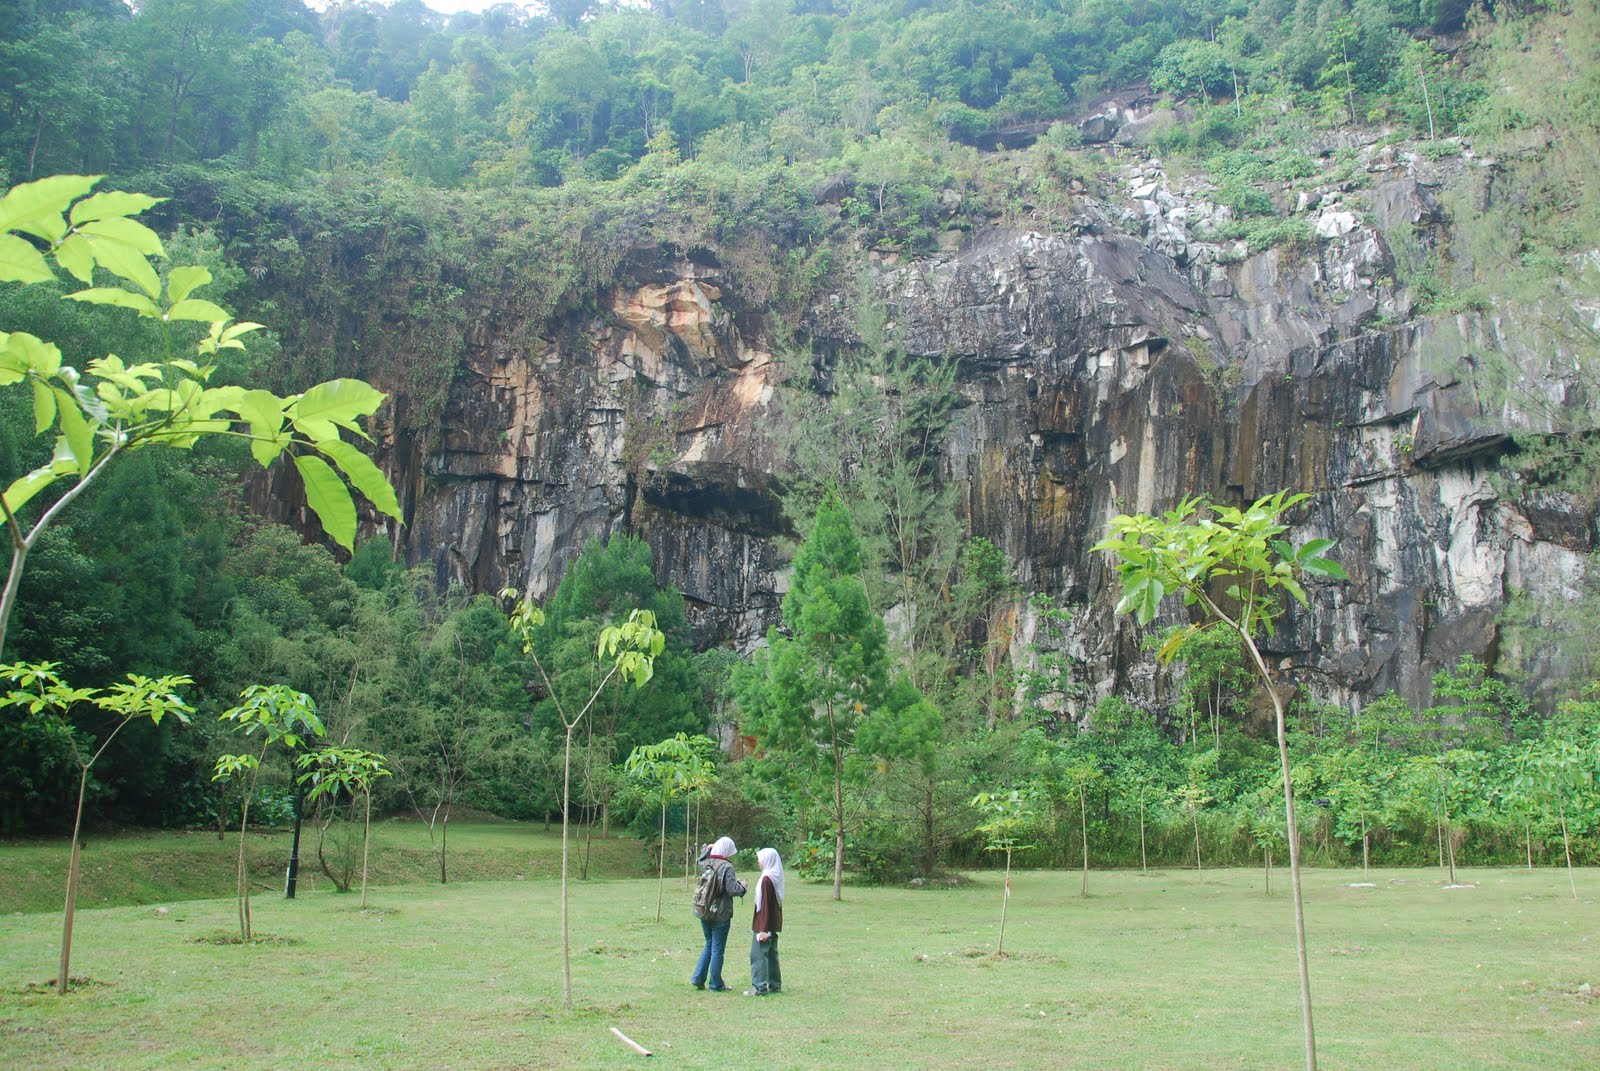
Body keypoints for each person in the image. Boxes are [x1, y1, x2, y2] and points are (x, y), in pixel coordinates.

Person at [689, 836, 745, 992]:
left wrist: (708, 849)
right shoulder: (727, 866)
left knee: (709, 943)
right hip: (721, 913)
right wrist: (743, 887)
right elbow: (732, 889)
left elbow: (700, 857)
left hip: (703, 909)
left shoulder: (706, 862)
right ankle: (715, 984)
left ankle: (698, 978)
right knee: (717, 948)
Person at [745, 846, 784, 996]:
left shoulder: (767, 879)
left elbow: (765, 905)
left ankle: (759, 987)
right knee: (772, 953)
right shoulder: (775, 876)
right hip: (772, 922)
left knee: (758, 954)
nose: (759, 862)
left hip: (764, 922)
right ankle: (774, 984)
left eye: (760, 859)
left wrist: (762, 929)